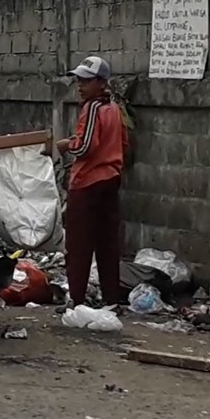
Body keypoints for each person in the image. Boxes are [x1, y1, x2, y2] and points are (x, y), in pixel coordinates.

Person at [55, 55, 127, 309]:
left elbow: (86, 146)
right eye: (79, 80)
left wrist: (66, 145)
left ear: (101, 82)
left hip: (88, 183)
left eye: (85, 81)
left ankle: (75, 299)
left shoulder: (92, 108)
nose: (80, 86)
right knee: (107, 243)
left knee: (79, 245)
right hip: (111, 180)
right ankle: (111, 300)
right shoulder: (114, 109)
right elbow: (123, 144)